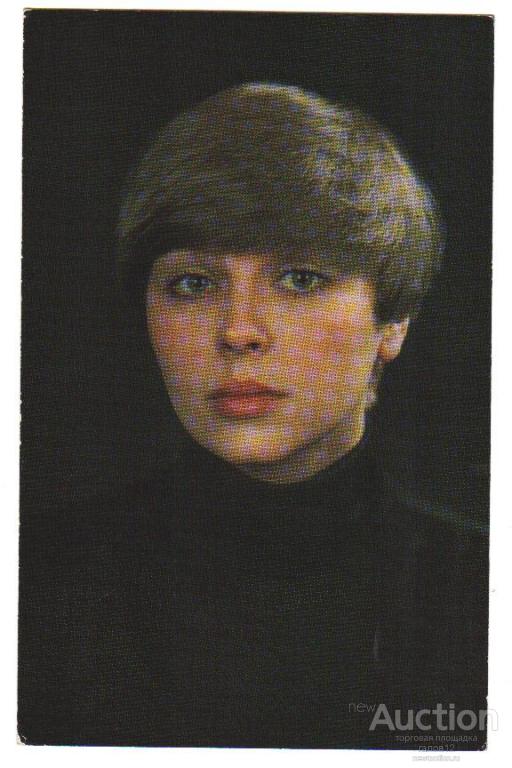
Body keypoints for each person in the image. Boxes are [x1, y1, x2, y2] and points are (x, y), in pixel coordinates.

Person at [18, 83, 488, 749]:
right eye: (193, 284)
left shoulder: (481, 590)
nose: (238, 331)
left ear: (393, 320)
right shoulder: (38, 584)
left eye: (300, 279)